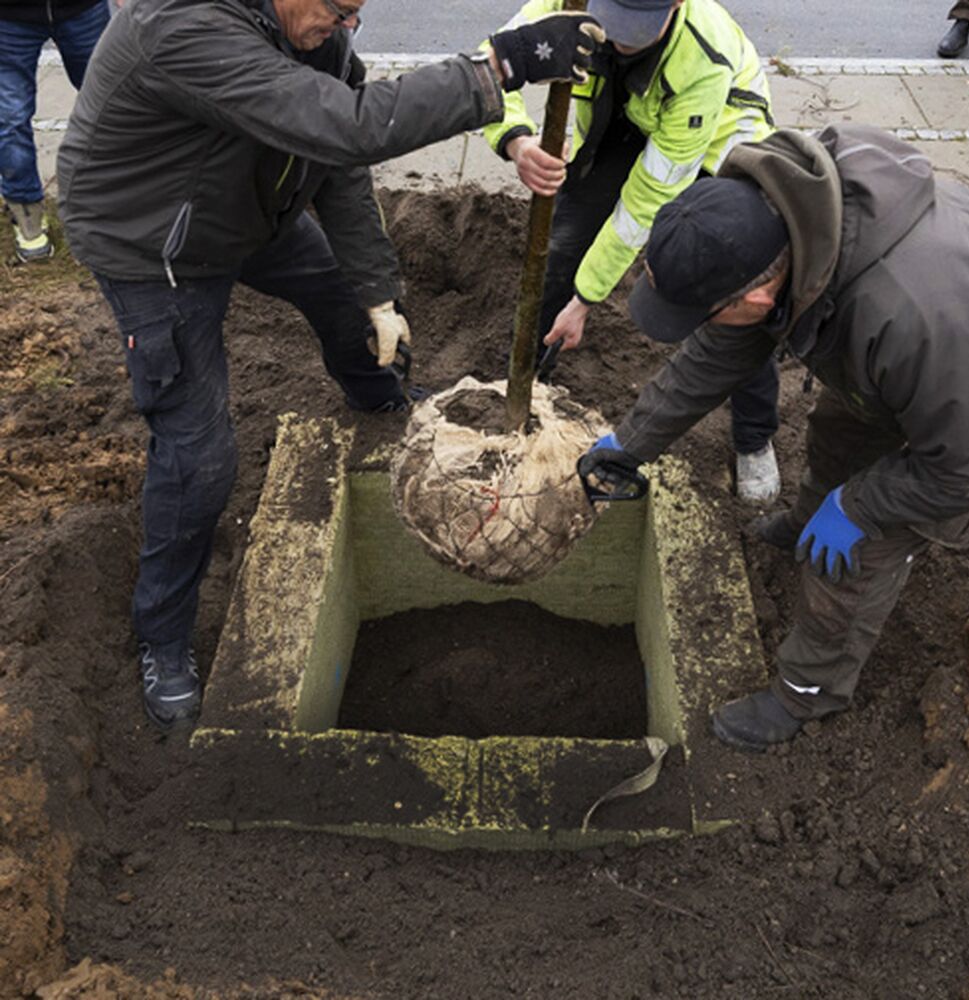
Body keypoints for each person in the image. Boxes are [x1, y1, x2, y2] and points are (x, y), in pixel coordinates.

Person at [56, 0, 602, 732]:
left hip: (250, 211)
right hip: (157, 244)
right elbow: (344, 124)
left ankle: (381, 401)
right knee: (199, 455)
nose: (346, 27)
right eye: (337, 9)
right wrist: (499, 68)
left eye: (357, 13)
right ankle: (162, 638)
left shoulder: (310, 30)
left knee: (353, 311)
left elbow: (338, 160)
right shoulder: (182, 25)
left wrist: (377, 293)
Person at [579, 122, 969, 751]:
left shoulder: (913, 319)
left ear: (757, 295)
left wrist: (860, 506)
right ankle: (810, 521)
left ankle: (808, 693)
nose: (701, 325)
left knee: (860, 548)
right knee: (838, 429)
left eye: (706, 309)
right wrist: (629, 443)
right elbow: (717, 353)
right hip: (926, 371)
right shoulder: (781, 223)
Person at [484, 0, 782, 503]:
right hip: (627, 116)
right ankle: (530, 381)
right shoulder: (567, 5)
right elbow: (492, 65)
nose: (621, 40)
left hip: (719, 146)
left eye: (637, 30)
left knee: (735, 291)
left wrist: (588, 298)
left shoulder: (702, 60)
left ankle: (754, 438)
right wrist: (516, 141)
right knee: (564, 245)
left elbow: (644, 203)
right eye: (612, 24)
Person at [0, 0, 110, 261]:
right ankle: (28, 215)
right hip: (8, 18)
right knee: (10, 119)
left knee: (112, 106)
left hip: (83, 9)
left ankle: (118, 201)